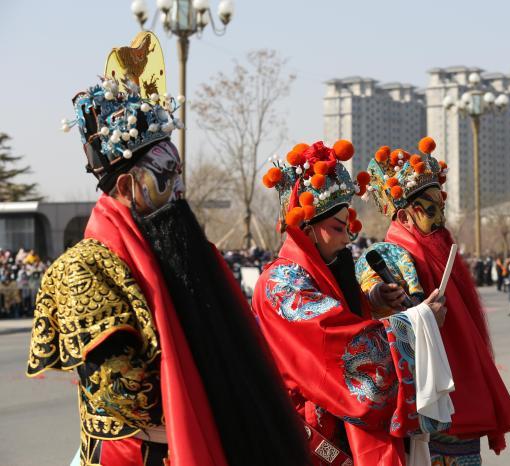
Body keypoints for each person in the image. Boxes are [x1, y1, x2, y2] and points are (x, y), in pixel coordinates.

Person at [27, 32, 306, 466]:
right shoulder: (84, 269)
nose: (179, 189)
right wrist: (223, 373)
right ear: (125, 185)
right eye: (166, 176)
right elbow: (122, 394)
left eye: (179, 175)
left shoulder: (182, 252)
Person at [254, 139, 455, 465]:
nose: (348, 238)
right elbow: (339, 341)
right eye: (337, 227)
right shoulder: (282, 284)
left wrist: (373, 303)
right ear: (308, 227)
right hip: (307, 435)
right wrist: (419, 323)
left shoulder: (320, 274)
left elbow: (343, 317)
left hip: (337, 425)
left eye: (349, 227)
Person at [355, 139, 510, 464]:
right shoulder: (387, 254)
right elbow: (371, 286)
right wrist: (379, 297)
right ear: (403, 216)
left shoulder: (442, 253)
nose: (439, 217)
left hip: (459, 395)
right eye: (429, 209)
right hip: (426, 397)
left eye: (440, 207)